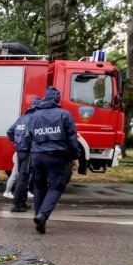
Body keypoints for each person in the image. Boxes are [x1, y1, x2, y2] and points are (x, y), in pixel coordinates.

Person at [25, 86, 81, 234]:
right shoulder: (65, 114)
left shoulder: (34, 116)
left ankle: (39, 217)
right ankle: (42, 215)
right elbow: (72, 138)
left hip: (37, 156)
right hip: (57, 156)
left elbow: (28, 136)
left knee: (39, 187)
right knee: (57, 186)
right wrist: (75, 157)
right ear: (57, 99)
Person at [5, 111, 34, 212]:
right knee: (23, 178)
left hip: (20, 152)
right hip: (28, 152)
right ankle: (16, 205)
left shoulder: (21, 118)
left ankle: (22, 203)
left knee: (23, 177)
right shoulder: (34, 118)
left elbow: (10, 132)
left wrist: (17, 142)